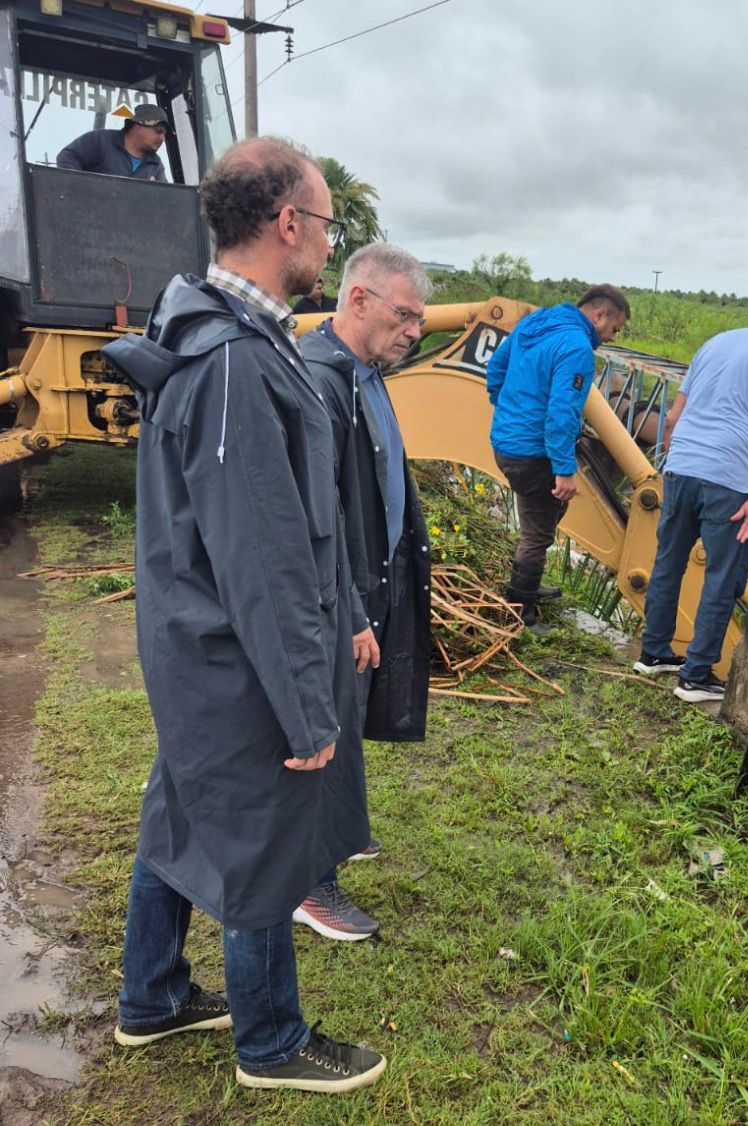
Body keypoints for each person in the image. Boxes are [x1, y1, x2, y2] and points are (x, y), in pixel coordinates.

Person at [101, 137, 385, 1093]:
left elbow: (292, 527)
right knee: (265, 834)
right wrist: (309, 707)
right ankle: (271, 1044)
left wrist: (342, 611)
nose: (327, 242)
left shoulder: (227, 335)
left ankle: (152, 998)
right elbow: (260, 555)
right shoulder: (234, 360)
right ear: (288, 224)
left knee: (180, 812)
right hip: (233, 656)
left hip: (203, 649)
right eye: (326, 222)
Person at [298, 243, 433, 940]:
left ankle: (339, 831)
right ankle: (308, 882)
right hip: (332, 599)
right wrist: (349, 609)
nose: (414, 330)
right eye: (404, 315)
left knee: (345, 724)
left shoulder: (366, 373)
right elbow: (317, 517)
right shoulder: (318, 379)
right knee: (316, 730)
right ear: (357, 300)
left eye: (419, 318)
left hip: (368, 586)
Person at [634, 308, 748, 702]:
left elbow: (674, 417)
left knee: (668, 561)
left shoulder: (714, 343)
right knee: (723, 574)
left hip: (681, 468)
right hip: (729, 478)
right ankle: (695, 676)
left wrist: (677, 463)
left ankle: (654, 653)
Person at [485, 284, 630, 624]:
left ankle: (526, 585)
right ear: (600, 315)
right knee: (538, 535)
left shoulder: (534, 324)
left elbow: (496, 370)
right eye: (614, 329)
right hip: (534, 453)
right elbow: (562, 412)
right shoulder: (577, 347)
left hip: (506, 443)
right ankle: (521, 611)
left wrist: (507, 408)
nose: (612, 336)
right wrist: (565, 470)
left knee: (539, 519)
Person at [56, 103, 170, 182]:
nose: (162, 138)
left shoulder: (155, 165)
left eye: (165, 134)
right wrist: (83, 187)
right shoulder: (100, 141)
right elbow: (67, 157)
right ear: (138, 125)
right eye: (158, 131)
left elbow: (164, 198)